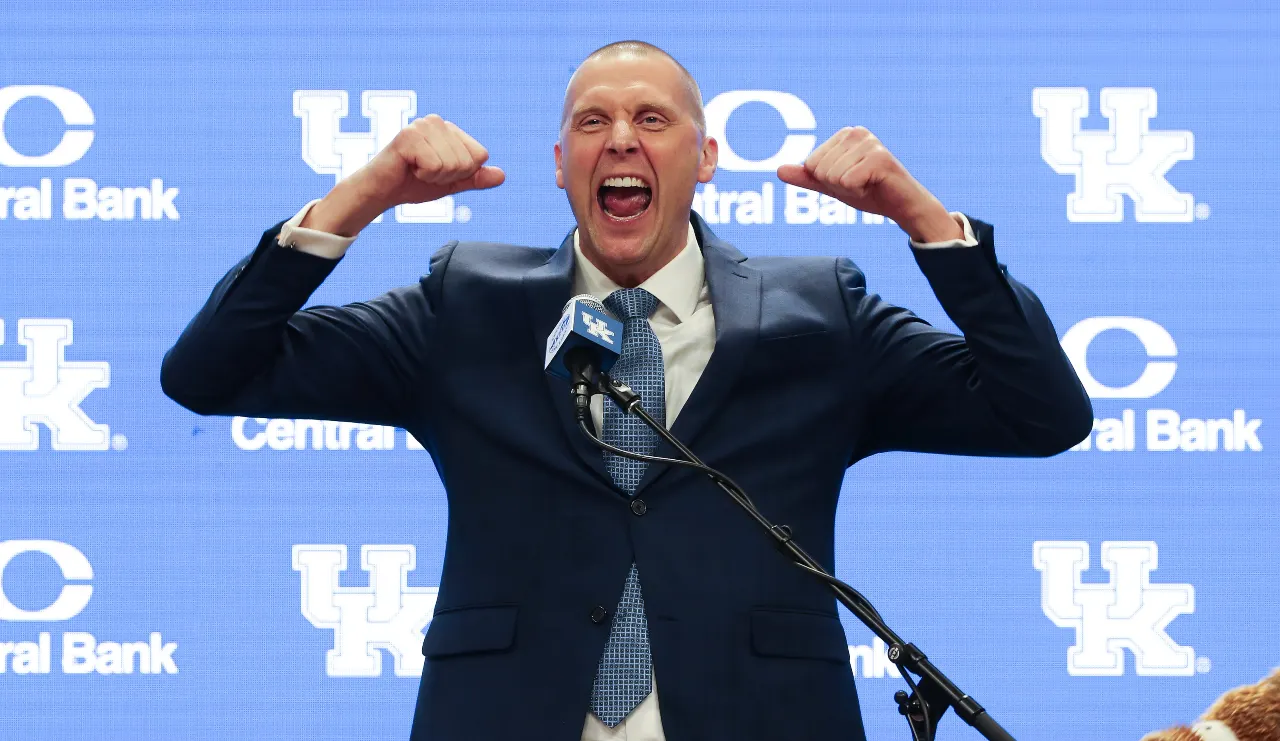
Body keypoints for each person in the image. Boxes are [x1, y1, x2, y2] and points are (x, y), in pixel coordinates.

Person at [162, 40, 1092, 741]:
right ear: (563, 160)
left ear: (706, 156)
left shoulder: (819, 313)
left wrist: (920, 218)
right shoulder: (468, 304)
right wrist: (364, 194)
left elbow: (1041, 411)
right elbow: (210, 371)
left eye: (653, 119)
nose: (621, 139)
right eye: (592, 122)